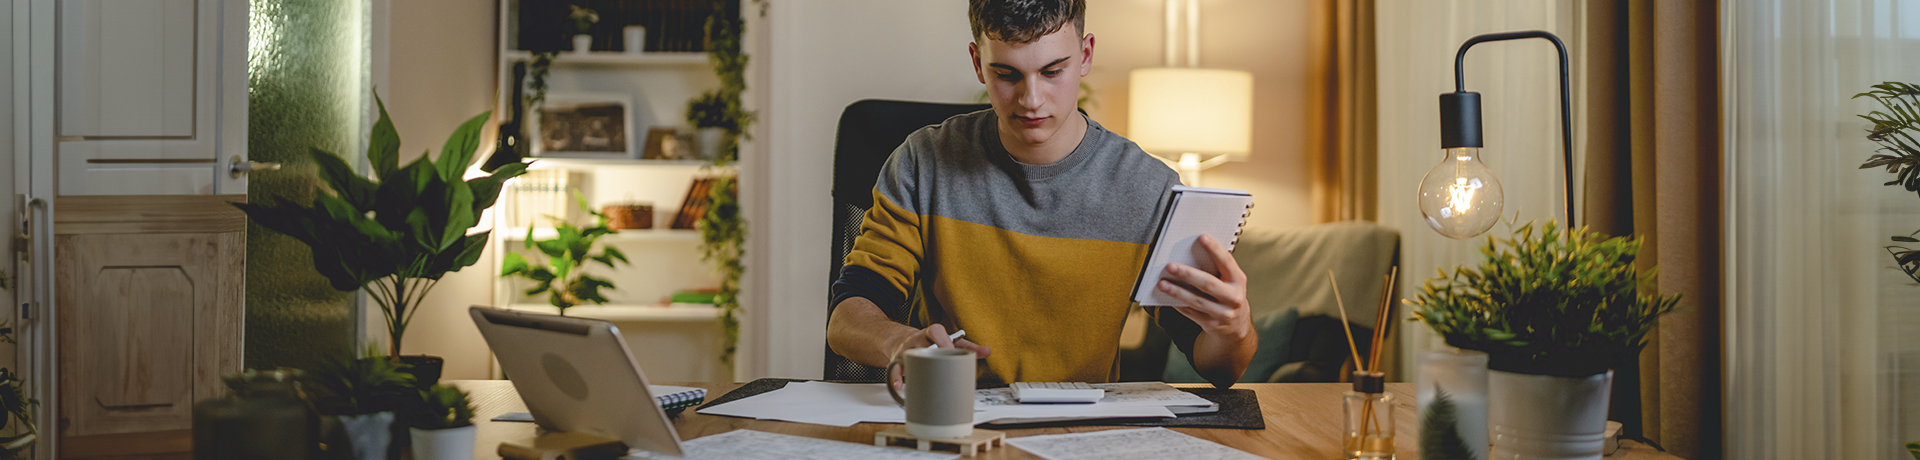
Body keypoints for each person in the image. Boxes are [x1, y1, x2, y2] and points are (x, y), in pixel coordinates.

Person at [826, 0, 1255, 388]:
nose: (1032, 100)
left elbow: (1216, 366)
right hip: (957, 417)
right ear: (978, 64)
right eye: (1007, 74)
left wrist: (1234, 330)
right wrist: (900, 341)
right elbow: (847, 319)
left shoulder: (1148, 189)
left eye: (1053, 71)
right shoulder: (925, 162)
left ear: (1085, 55)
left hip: (1082, 432)